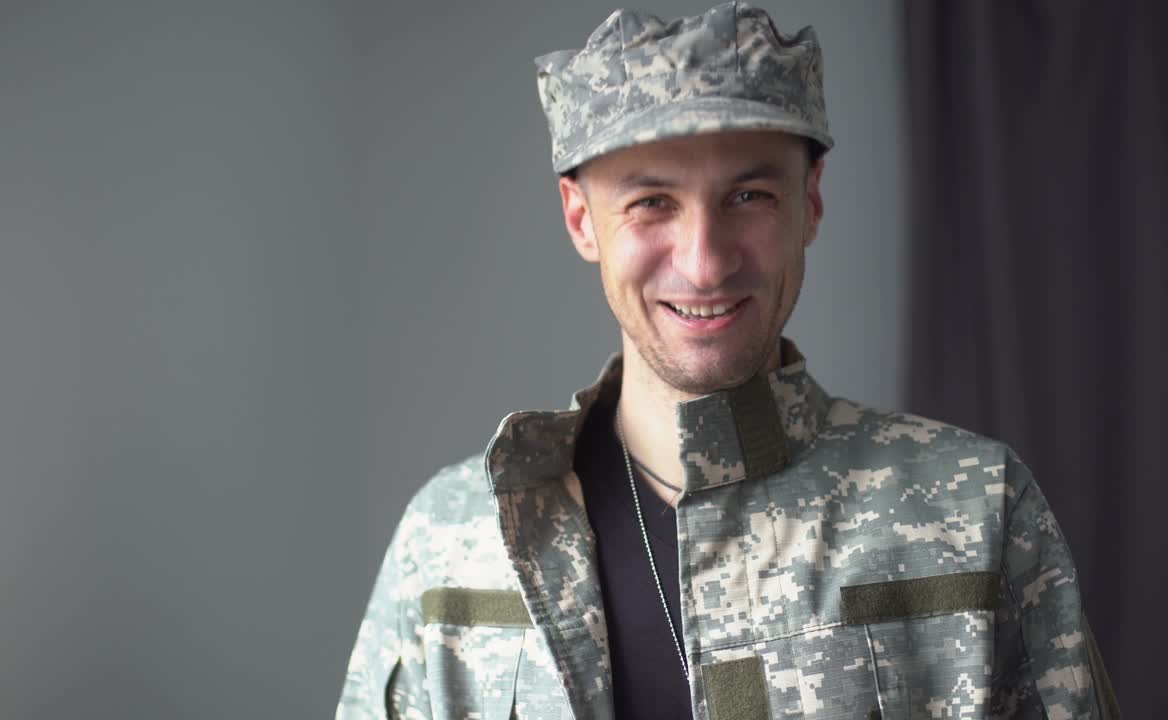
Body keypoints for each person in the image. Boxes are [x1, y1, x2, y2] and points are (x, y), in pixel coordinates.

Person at [336, 3, 1119, 719]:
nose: (705, 264)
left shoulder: (977, 511)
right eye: (651, 203)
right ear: (581, 220)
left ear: (810, 201)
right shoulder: (448, 542)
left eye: (749, 197)